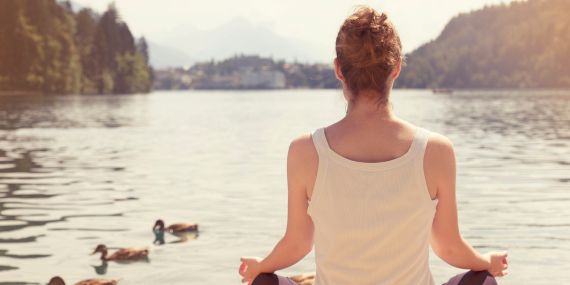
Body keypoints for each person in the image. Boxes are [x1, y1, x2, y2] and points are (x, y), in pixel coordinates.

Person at [239, 6, 508, 285]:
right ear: (396, 69)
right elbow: (448, 247)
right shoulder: (436, 150)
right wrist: (486, 262)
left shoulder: (304, 150)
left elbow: (297, 244)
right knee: (483, 281)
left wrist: (261, 266)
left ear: (339, 70)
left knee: (264, 282)